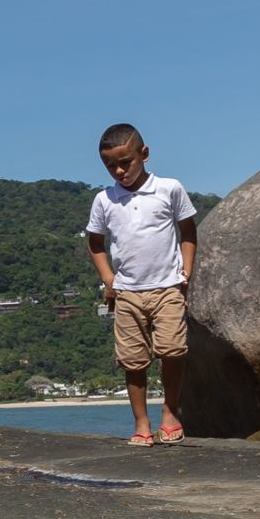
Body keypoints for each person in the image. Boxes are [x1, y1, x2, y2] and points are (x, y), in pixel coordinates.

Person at [85, 122, 198, 447]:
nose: (119, 171)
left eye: (126, 163)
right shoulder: (105, 200)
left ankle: (169, 413)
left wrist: (186, 272)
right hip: (127, 293)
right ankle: (141, 422)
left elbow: (188, 230)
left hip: (168, 287)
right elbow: (95, 242)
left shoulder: (169, 188)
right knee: (133, 361)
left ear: (144, 154)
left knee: (173, 351)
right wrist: (108, 279)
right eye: (111, 166)